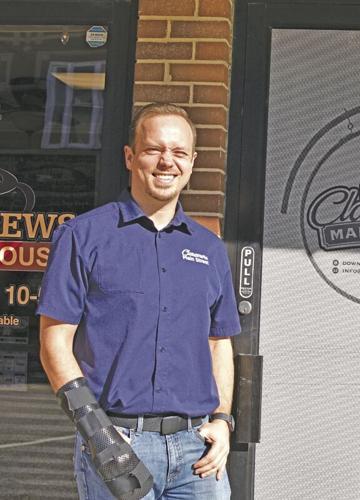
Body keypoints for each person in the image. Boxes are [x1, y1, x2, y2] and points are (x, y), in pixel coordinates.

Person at [37, 103, 241, 499]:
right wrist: (98, 433)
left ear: (193, 162)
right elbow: (53, 344)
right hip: (117, 442)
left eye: (179, 152)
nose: (167, 161)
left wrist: (223, 420)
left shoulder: (209, 249)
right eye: (153, 150)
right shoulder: (83, 237)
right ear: (130, 157)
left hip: (198, 450)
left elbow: (219, 343)